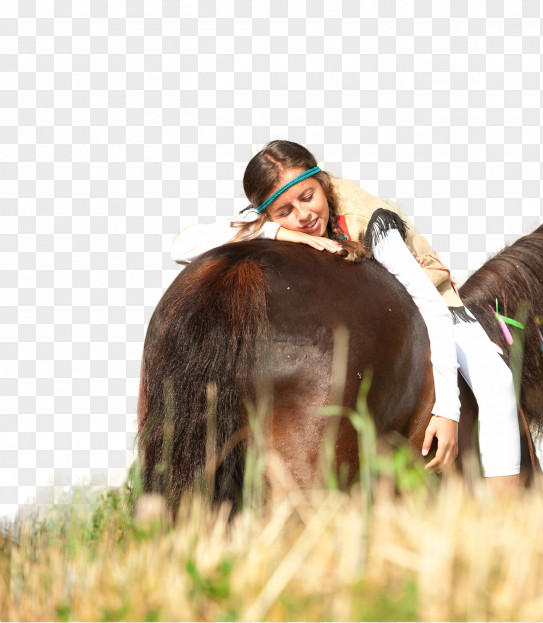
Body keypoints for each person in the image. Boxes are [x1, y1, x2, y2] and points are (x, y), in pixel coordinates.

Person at [171, 140, 520, 493]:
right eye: (284, 211)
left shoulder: (371, 221)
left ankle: (505, 506)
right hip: (380, 306)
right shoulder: (272, 218)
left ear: (320, 181)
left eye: (307, 197)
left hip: (436, 301)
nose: (303, 216)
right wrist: (276, 232)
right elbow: (181, 247)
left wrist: (448, 411)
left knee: (497, 382)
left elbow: (431, 307)